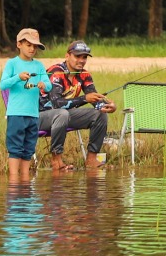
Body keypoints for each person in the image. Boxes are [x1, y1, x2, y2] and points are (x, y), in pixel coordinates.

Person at [40, 41, 112, 171]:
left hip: (63, 116)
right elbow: (56, 104)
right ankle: (56, 161)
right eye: (77, 56)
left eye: (84, 57)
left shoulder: (84, 75)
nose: (81, 60)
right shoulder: (56, 72)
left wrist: (107, 106)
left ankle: (91, 159)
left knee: (100, 115)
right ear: (67, 56)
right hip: (40, 116)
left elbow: (94, 98)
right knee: (61, 113)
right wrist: (85, 98)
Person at [0, 28, 51, 183]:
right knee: (15, 147)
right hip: (16, 113)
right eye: (28, 44)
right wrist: (18, 77)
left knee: (29, 147)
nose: (32, 49)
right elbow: (2, 85)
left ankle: (25, 179)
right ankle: (14, 181)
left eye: (35, 46)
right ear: (18, 44)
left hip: (33, 114)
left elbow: (48, 85)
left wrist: (44, 85)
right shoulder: (12, 63)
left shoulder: (39, 66)